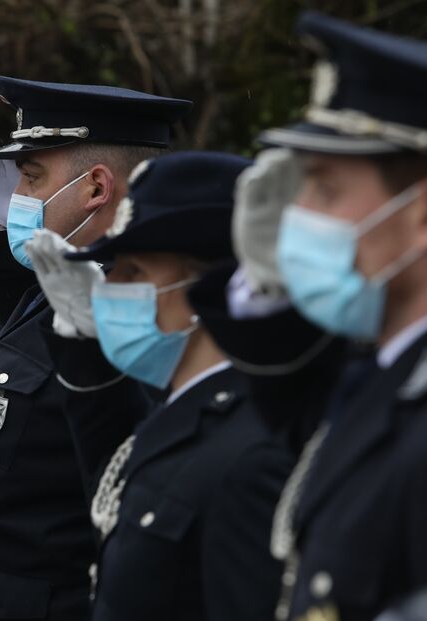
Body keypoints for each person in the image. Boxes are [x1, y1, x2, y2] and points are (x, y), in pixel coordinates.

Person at [217, 12, 427, 621]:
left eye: (323, 188)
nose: (299, 214)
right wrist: (268, 290)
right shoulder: (399, 368)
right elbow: (293, 408)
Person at [0, 76, 192, 621]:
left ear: (95, 188)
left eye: (31, 179)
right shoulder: (54, 290)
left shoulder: (129, 313)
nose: (17, 201)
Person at [25, 151, 292, 620]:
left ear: (208, 287)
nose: (113, 287)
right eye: (116, 270)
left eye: (136, 273)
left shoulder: (249, 455)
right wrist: (84, 349)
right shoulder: (179, 412)